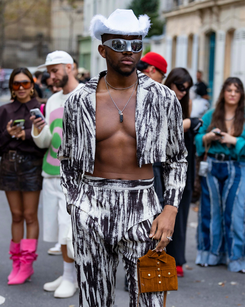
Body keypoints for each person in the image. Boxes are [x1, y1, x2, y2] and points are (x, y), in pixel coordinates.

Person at [59, 9, 187, 307]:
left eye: (136, 44)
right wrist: (75, 205)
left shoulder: (162, 98)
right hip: (91, 205)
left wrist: (170, 209)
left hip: (143, 207)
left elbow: (177, 159)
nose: (129, 52)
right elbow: (66, 159)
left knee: (148, 300)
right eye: (119, 45)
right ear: (103, 49)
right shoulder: (79, 100)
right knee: (93, 300)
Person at [30, 50, 84, 298]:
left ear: (69, 67)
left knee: (69, 229)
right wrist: (38, 130)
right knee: (58, 229)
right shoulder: (52, 101)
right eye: (49, 72)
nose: (51, 76)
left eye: (55, 70)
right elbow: (46, 142)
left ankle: (72, 278)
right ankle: (67, 274)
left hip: (75, 175)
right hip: (51, 171)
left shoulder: (86, 96)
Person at [194, 77, 245, 273]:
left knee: (236, 213)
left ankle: (236, 257)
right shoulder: (211, 115)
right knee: (210, 211)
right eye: (229, 90)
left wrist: (234, 140)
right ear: (223, 92)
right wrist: (208, 136)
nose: (232, 93)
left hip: (238, 166)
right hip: (213, 165)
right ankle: (210, 254)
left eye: (236, 90)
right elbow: (198, 140)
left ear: (241, 95)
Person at [0, 67, 46, 285]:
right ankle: (16, 262)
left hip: (31, 165)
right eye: (16, 84)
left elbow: (45, 143)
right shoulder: (5, 111)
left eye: (25, 83)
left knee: (29, 215)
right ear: (11, 86)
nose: (20, 88)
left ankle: (27, 265)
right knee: (16, 215)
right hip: (8, 165)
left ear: (32, 85)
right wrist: (8, 134)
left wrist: (26, 135)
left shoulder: (40, 108)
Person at [162, 68, 202, 277]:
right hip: (163, 167)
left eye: (187, 89)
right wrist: (187, 124)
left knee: (182, 213)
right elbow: (160, 130)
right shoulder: (160, 99)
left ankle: (177, 258)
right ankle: (163, 256)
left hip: (184, 164)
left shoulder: (186, 103)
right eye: (180, 87)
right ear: (171, 83)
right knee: (164, 213)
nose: (183, 92)